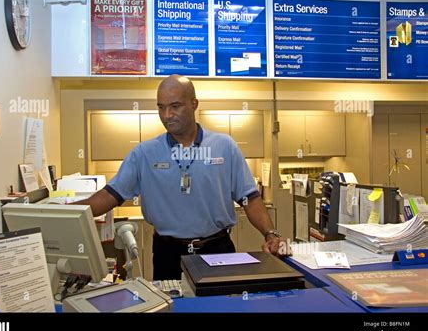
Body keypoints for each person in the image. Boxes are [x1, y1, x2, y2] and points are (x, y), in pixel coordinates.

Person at [75, 75, 286, 280]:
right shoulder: (144, 153)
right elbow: (110, 196)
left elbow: (249, 198)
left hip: (217, 250)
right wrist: (64, 212)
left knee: (220, 306)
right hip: (168, 254)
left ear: (194, 104)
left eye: (175, 106)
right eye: (161, 107)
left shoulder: (224, 147)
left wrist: (270, 233)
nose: (167, 114)